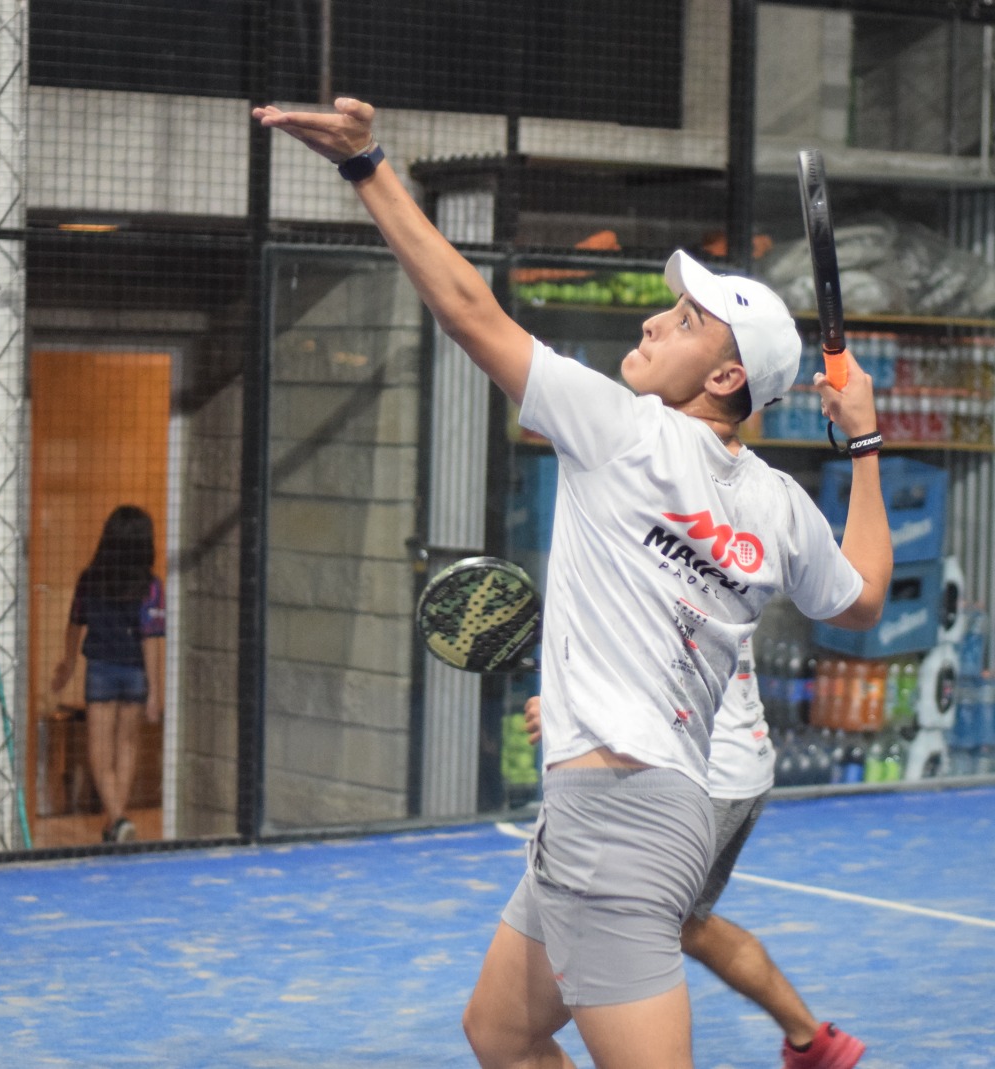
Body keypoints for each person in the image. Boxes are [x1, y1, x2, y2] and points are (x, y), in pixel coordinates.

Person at [254, 97, 892, 1069]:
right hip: (638, 810)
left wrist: (367, 166)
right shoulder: (779, 505)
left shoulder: (623, 430)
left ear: (725, 379)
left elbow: (469, 311)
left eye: (683, 320)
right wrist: (867, 442)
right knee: (501, 1034)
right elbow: (864, 598)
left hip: (619, 820)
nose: (653, 318)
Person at [523, 640, 866, 1069]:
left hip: (698, 774)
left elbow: (655, 667)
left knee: (618, 934)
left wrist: (569, 710)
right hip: (731, 762)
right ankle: (813, 1044)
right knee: (685, 924)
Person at [50, 505, 166, 843]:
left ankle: (116, 819)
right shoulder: (151, 586)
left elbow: (75, 623)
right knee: (127, 744)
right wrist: (155, 692)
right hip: (135, 670)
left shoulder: (90, 580)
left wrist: (69, 663)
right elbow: (151, 638)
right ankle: (117, 820)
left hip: (100, 667)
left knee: (98, 747)